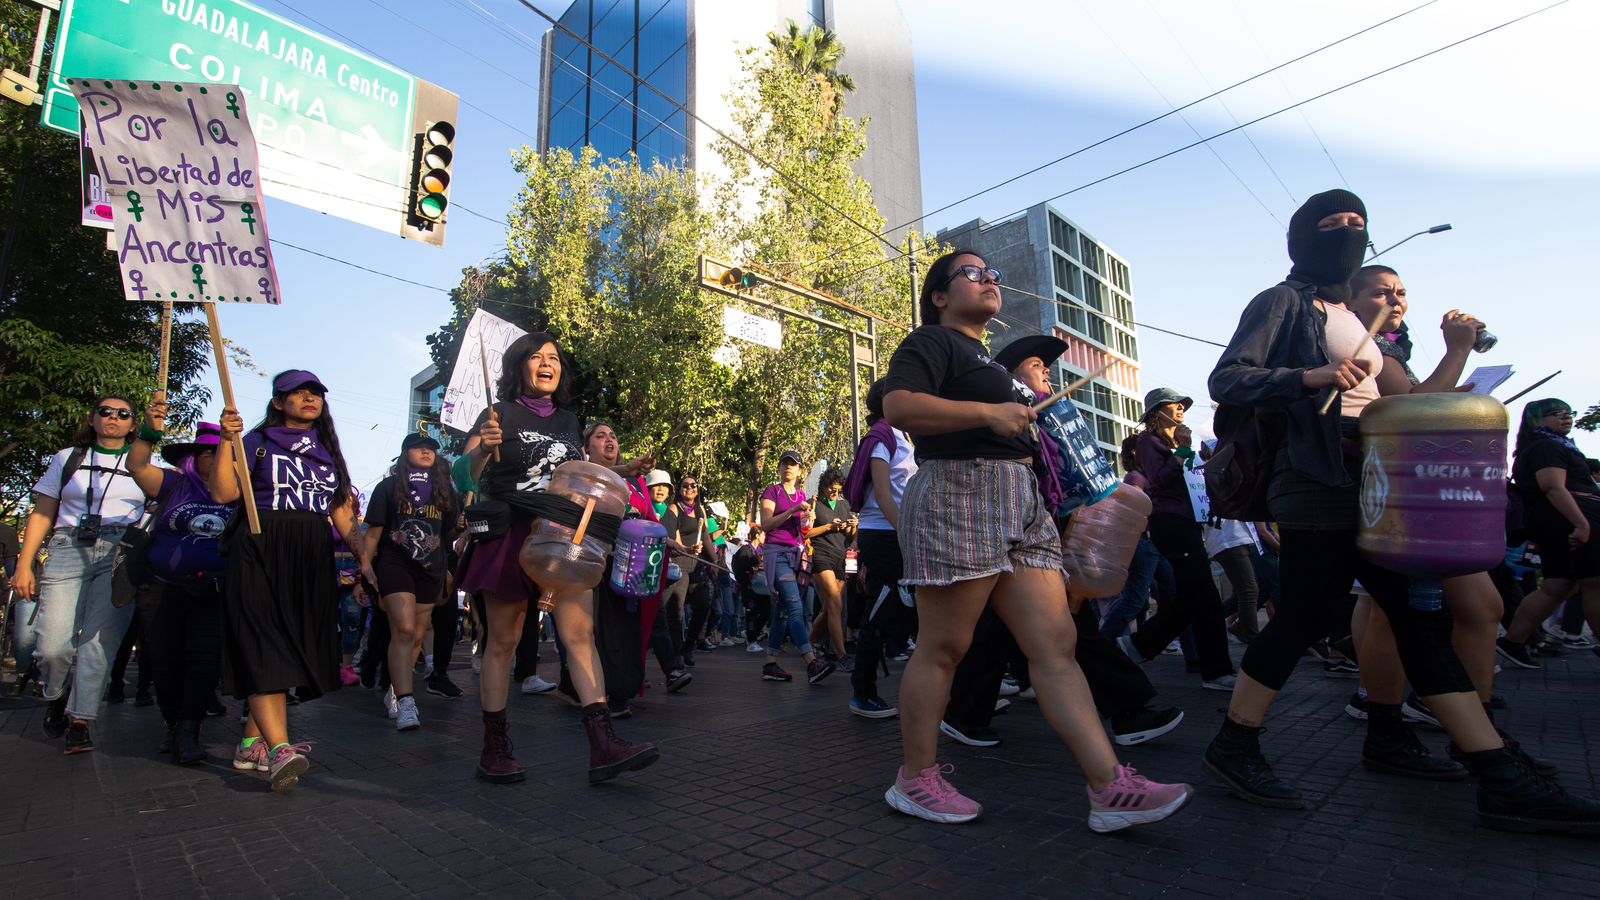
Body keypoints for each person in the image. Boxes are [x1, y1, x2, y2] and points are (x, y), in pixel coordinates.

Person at [1202, 189, 1600, 833]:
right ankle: (1238, 743)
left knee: (1417, 618)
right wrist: (1308, 379)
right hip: (1314, 480)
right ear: (1302, 238)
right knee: (1309, 614)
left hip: (1370, 484)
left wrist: (1456, 362)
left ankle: (1482, 763)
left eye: (1359, 224)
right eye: (1333, 224)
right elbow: (1229, 378)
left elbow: (1406, 400)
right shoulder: (1284, 301)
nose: (1349, 232)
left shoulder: (1353, 319)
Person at [880, 249, 1191, 830]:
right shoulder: (932, 343)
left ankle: (1108, 787)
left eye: (994, 274)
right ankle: (915, 779)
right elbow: (899, 406)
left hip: (1019, 500)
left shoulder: (989, 362)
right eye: (973, 274)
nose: (990, 280)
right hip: (959, 491)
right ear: (941, 297)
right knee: (945, 647)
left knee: (1057, 645)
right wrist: (988, 413)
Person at [457, 332, 657, 784]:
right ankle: (494, 747)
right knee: (503, 643)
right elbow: (461, 475)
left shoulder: (569, 421)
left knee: (580, 635)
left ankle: (603, 744)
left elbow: (577, 476)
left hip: (565, 537)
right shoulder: (497, 414)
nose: (547, 363)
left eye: (554, 358)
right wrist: (484, 449)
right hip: (510, 534)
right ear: (519, 366)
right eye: (536, 356)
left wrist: (622, 473)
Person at [1345, 264, 1514, 768]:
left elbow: (1425, 400)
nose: (1395, 300)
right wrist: (1458, 349)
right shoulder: (1370, 349)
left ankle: (1471, 731)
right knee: (1392, 613)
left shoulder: (1393, 348)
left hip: (1423, 491)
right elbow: (1410, 405)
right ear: (1351, 300)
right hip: (1398, 495)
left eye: (1401, 292)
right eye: (1381, 291)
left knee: (1478, 608)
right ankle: (1407, 729)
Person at [209, 371, 361, 790]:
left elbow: (343, 517)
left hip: (310, 554)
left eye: (316, 393)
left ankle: (248, 746)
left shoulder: (328, 453)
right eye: (299, 392)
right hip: (260, 546)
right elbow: (222, 493)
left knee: (292, 646)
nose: (310, 398)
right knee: (264, 644)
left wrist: (368, 557)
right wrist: (226, 441)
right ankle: (279, 750)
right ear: (278, 402)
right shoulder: (255, 442)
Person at [13, 395, 148, 753]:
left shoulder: (144, 463)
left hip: (119, 551)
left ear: (134, 424)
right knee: (52, 646)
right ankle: (56, 694)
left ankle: (81, 720)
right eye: (106, 412)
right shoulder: (68, 458)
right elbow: (43, 510)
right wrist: (25, 564)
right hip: (68, 546)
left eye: (124, 414)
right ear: (92, 419)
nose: (113, 418)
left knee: (98, 643)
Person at [124, 414, 234, 764]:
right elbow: (137, 465)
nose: (215, 461)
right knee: (165, 662)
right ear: (194, 457)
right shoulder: (172, 484)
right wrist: (149, 431)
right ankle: (172, 722)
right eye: (208, 454)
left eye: (222, 455)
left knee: (204, 663)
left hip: (213, 590)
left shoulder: (238, 494)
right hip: (162, 588)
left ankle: (190, 727)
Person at [1115, 388, 1237, 690]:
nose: (1181, 408)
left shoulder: (1172, 446)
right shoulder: (1148, 442)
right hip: (1169, 522)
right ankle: (1216, 670)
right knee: (1204, 594)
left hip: (1185, 522)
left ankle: (1140, 646)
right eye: (1174, 405)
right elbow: (1159, 478)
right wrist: (1183, 450)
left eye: (1183, 404)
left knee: (1193, 594)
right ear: (1158, 413)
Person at [362, 433, 457, 732]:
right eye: (419, 448)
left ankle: (396, 687)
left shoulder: (445, 491)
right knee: (402, 628)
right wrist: (364, 565)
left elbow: (448, 536)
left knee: (416, 634)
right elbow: (374, 531)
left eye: (431, 449)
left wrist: (460, 533)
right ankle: (406, 701)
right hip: (396, 563)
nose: (427, 452)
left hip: (431, 568)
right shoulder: (388, 487)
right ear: (405, 454)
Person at [1497, 400, 1600, 667]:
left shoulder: (1552, 445)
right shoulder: (1546, 447)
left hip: (1565, 518)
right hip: (1570, 517)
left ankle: (1514, 641)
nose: (1567, 418)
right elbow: (1553, 487)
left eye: (1569, 412)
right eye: (1557, 413)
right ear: (1537, 420)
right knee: (1595, 583)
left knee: (1559, 585)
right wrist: (1581, 523)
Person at [843, 380, 917, 718]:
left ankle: (955, 700)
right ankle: (862, 693)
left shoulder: (904, 436)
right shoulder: (881, 437)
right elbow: (885, 496)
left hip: (899, 534)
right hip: (885, 535)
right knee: (882, 610)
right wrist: (907, 533)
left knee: (914, 611)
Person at [758, 450, 836, 684]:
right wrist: (793, 511)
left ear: (800, 470)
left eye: (793, 465)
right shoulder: (773, 491)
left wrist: (808, 519)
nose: (788, 467)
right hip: (777, 554)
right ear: (779, 468)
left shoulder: (802, 494)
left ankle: (770, 664)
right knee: (794, 606)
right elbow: (766, 524)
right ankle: (811, 662)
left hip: (797, 555)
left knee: (782, 611)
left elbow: (804, 532)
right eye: (785, 463)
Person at [662, 475, 714, 665]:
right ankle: (676, 653)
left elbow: (706, 538)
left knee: (704, 604)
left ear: (697, 490)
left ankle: (689, 644)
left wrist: (716, 562)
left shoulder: (700, 510)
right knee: (677, 609)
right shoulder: (674, 508)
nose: (690, 488)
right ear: (679, 489)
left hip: (698, 565)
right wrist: (686, 548)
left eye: (693, 485)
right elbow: (674, 538)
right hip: (680, 562)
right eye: (685, 485)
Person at [806, 467, 856, 666]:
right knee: (835, 603)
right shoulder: (813, 503)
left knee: (829, 608)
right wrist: (828, 527)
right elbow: (806, 532)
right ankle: (841, 654)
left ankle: (807, 644)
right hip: (821, 555)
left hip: (840, 556)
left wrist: (853, 526)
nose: (835, 493)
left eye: (838, 489)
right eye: (832, 489)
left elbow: (851, 537)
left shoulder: (845, 505)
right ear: (824, 486)